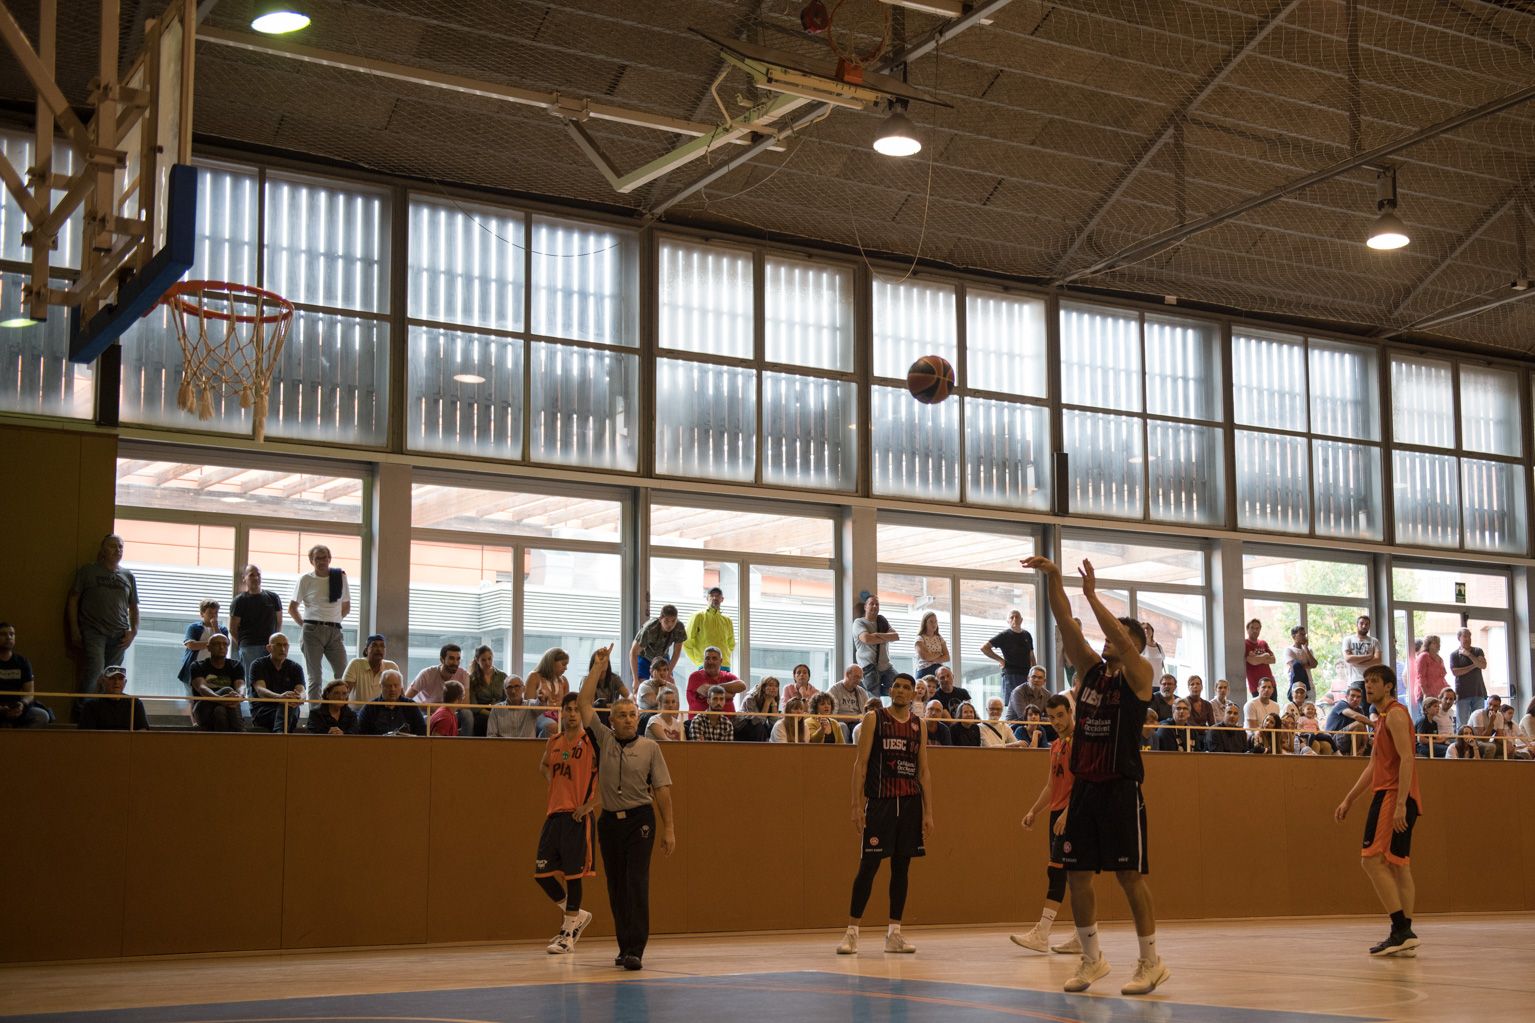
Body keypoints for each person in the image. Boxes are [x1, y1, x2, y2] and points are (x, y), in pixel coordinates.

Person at [1025, 554, 1168, 997]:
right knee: (1077, 875)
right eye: (1107, 634)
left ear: (1133, 645)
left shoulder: (1140, 676)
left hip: (1121, 787)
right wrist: (1054, 579)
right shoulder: (1089, 672)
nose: (1107, 639)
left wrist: (1091, 595)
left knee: (1129, 878)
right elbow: (1065, 621)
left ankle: (1151, 962)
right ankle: (1092, 959)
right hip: (1085, 788)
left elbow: (1121, 640)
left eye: (1117, 635)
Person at [577, 646, 676, 971]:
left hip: (640, 821)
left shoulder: (650, 748)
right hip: (609, 823)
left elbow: (662, 790)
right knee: (617, 885)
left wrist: (669, 829)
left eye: (633, 715)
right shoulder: (603, 739)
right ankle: (624, 947)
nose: (629, 719)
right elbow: (583, 704)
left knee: (636, 882)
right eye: (622, 715)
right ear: (612, 720)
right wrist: (598, 667)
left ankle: (636, 949)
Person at [836, 672, 931, 956]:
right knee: (868, 867)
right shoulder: (874, 718)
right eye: (897, 686)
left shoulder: (919, 725)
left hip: (910, 803)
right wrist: (855, 805)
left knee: (901, 869)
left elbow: (924, 770)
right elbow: (860, 764)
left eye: (906, 687)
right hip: (881, 803)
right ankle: (852, 932)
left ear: (913, 694)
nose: (900, 690)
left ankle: (894, 934)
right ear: (891, 691)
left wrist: (928, 812)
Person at [1334, 664, 1424, 958]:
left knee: (1371, 860)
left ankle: (1401, 929)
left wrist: (1400, 803)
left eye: (1374, 681)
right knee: (1398, 866)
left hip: (1393, 795)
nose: (1368, 686)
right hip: (1394, 794)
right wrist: (1349, 799)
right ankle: (1405, 934)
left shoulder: (1396, 714)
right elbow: (1374, 765)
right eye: (1366, 681)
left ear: (1388, 686)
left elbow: (1407, 758)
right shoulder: (1383, 719)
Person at [1011, 693, 1083, 956]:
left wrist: (1068, 813)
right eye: (1051, 718)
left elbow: (1085, 782)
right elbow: (1051, 785)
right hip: (1057, 814)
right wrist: (1034, 810)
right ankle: (1083, 935)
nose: (1056, 722)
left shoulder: (1081, 743)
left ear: (1071, 712)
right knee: (1074, 876)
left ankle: (1042, 933)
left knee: (1058, 872)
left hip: (1073, 814)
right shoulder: (1055, 745)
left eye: (1060, 716)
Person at [535, 692, 600, 955]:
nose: (572, 714)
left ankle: (567, 935)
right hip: (554, 815)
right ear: (562, 712)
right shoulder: (554, 741)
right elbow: (543, 766)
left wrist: (588, 805)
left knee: (573, 876)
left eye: (576, 709)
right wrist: (555, 785)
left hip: (577, 816)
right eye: (568, 709)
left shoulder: (591, 742)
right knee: (542, 874)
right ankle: (577, 915)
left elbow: (606, 778)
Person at [67, 533, 139, 692]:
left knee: (112, 675)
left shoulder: (128, 576)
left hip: (119, 634)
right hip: (94, 631)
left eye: (120, 547)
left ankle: (104, 705)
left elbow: (134, 607)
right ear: (103, 549)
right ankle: (85, 706)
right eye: (113, 546)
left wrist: (133, 632)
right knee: (95, 670)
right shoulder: (88, 571)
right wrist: (74, 629)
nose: (117, 550)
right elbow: (73, 600)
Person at [287, 544, 351, 700]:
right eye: (317, 558)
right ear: (311, 561)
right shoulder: (306, 579)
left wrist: (334, 620)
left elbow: (346, 606)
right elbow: (292, 608)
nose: (322, 561)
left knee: (343, 673)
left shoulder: (339, 577)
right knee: (315, 677)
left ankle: (339, 708)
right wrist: (306, 625)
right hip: (312, 630)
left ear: (329, 559)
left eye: (324, 558)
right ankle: (315, 711)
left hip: (335, 630)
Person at [408, 643, 474, 738]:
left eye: (458, 659)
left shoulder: (464, 675)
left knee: (467, 714)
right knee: (425, 719)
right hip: (427, 711)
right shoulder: (426, 674)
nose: (455, 663)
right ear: (442, 659)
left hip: (452, 711)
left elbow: (466, 703)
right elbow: (407, 698)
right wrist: (430, 707)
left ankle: (464, 744)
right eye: (451, 658)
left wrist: (443, 708)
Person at [229, 564, 283, 680]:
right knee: (252, 680)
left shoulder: (273, 597)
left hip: (270, 647)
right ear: (244, 578)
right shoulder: (239, 601)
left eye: (258, 574)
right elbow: (233, 628)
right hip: (249, 647)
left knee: (271, 679)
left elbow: (279, 621)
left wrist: (275, 642)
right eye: (251, 575)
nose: (256, 578)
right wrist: (243, 644)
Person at [248, 632, 306, 733]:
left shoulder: (296, 667)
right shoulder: (258, 664)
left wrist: (299, 698)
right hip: (264, 710)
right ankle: (281, 736)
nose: (282, 649)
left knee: (289, 706)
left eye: (285, 645)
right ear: (269, 648)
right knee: (287, 706)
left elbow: (302, 691)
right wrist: (280, 698)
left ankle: (279, 734)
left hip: (289, 709)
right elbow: (260, 690)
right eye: (278, 645)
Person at [189, 634, 245, 732]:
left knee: (220, 711)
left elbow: (240, 686)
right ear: (208, 647)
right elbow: (202, 688)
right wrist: (220, 699)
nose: (221, 647)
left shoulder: (235, 665)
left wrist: (239, 696)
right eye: (217, 644)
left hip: (226, 710)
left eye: (225, 644)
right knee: (227, 690)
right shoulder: (197, 665)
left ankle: (223, 740)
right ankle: (240, 731)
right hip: (203, 709)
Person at [0, 622, 50, 728]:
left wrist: (22, 704)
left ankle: (16, 737)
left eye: (11, 634)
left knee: (41, 716)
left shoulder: (22, 662)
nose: (8, 637)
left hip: (15, 707)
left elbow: (29, 693)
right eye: (3, 634)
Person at [982, 609, 1037, 703]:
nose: (1014, 619)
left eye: (1017, 617)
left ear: (1021, 620)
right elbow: (984, 648)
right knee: (1013, 703)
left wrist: (1035, 672)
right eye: (1012, 617)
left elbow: (1031, 654)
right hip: (1011, 675)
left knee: (1028, 702)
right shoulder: (1004, 635)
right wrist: (1000, 660)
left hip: (1026, 675)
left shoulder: (1027, 635)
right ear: (1008, 621)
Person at [852, 594, 900, 698]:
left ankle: (874, 691)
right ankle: (868, 691)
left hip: (886, 666)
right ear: (865, 606)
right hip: (869, 667)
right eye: (871, 604)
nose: (875, 606)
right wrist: (886, 637)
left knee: (900, 686)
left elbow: (896, 636)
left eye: (877, 604)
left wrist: (876, 635)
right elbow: (867, 639)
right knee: (874, 698)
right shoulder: (859, 622)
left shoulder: (882, 621)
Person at [77, 664, 148, 731]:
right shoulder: (91, 705)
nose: (116, 682)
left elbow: (143, 730)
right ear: (103, 682)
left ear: (125, 682)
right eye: (112, 678)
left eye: (120, 679)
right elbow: (85, 734)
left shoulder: (135, 703)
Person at [629, 605, 686, 684]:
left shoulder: (679, 627)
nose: (670, 625)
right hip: (645, 657)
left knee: (668, 684)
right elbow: (633, 652)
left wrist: (668, 673)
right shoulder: (649, 628)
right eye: (666, 621)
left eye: (673, 621)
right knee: (641, 685)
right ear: (660, 619)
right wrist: (635, 679)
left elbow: (677, 652)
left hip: (663, 656)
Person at [358, 669, 426, 736]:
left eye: (396, 685)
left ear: (401, 687)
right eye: (388, 686)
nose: (392, 689)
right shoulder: (370, 708)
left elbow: (422, 733)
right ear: (381, 686)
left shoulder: (410, 706)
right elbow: (360, 735)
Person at [178, 600, 228, 688]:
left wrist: (215, 627)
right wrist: (213, 644)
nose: (213, 615)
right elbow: (191, 645)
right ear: (202, 614)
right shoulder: (194, 627)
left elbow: (224, 644)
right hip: (194, 668)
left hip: (214, 670)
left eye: (216, 613)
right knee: (192, 694)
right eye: (210, 613)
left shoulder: (222, 629)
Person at [682, 587, 734, 670]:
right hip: (705, 664)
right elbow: (686, 641)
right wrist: (698, 661)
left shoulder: (727, 620)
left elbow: (731, 644)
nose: (715, 598)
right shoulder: (698, 616)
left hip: (724, 664)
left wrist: (725, 656)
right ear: (707, 598)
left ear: (722, 599)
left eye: (718, 596)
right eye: (712, 595)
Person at [342, 635, 399, 708]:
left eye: (382, 646)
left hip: (383, 712)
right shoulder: (355, 664)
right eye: (374, 645)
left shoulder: (392, 666)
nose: (379, 649)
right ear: (366, 650)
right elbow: (343, 693)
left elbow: (400, 694)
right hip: (357, 711)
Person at [1448, 628, 1488, 729]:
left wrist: (1469, 655)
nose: (1468, 639)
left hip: (1478, 691)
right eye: (1465, 636)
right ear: (1459, 638)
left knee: (1478, 722)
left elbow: (1483, 665)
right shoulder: (1454, 654)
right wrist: (1475, 665)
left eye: (1469, 636)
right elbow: (1456, 672)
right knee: (1462, 724)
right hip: (1462, 693)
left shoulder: (1478, 651)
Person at [528, 648, 571, 737]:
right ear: (551, 663)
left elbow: (567, 705)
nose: (566, 668)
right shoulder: (534, 676)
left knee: (576, 725)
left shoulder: (564, 681)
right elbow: (528, 704)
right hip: (539, 715)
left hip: (560, 715)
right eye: (563, 664)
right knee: (553, 727)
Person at [467, 645, 507, 737]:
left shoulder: (502, 676)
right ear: (477, 660)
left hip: (501, 711)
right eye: (483, 660)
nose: (487, 663)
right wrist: (491, 714)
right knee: (482, 720)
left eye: (489, 659)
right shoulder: (472, 679)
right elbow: (474, 706)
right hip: (482, 713)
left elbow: (507, 699)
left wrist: (499, 712)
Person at [1327, 682, 1374, 756]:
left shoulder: (1360, 710)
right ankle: (1354, 758)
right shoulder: (1341, 704)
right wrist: (1375, 725)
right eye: (1352, 696)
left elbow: (1364, 731)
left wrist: (1364, 746)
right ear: (1346, 697)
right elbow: (1355, 716)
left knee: (1373, 740)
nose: (1355, 699)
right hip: (1333, 740)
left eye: (1358, 697)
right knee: (1359, 725)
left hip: (1348, 739)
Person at [1343, 615, 1383, 685]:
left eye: (1367, 624)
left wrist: (1356, 662)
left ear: (1369, 626)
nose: (1364, 626)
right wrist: (1369, 656)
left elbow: (1378, 660)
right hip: (1355, 680)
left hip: (1371, 679)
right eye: (1361, 623)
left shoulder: (1374, 641)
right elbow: (1348, 659)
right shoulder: (1348, 640)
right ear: (1357, 625)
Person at [738, 676, 779, 742]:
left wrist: (773, 703)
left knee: (776, 728)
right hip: (744, 726)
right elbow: (757, 721)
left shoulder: (773, 698)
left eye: (776, 686)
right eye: (770, 685)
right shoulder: (750, 698)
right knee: (760, 728)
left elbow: (774, 723)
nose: (774, 688)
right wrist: (767, 702)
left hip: (759, 726)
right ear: (763, 688)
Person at [1242, 619, 1275, 698]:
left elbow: (1273, 660)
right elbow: (1252, 661)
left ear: (1260, 629)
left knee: (1273, 706)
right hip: (1256, 685)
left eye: (1257, 628)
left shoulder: (1263, 643)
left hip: (1270, 684)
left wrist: (1256, 658)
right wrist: (1265, 655)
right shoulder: (1245, 644)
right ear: (1247, 629)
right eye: (1252, 628)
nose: (1255, 630)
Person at [1413, 635, 1447, 708]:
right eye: (1435, 643)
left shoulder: (1439, 658)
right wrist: (1426, 694)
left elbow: (1442, 676)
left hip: (1438, 693)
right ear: (1428, 645)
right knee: (1427, 714)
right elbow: (1421, 677)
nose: (1438, 645)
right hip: (1426, 693)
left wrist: (1446, 690)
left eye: (1438, 643)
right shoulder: (1423, 656)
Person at [913, 612, 949, 679]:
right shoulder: (920, 638)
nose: (934, 624)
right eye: (931, 621)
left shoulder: (940, 638)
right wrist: (939, 654)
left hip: (938, 670)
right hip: (924, 670)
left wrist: (931, 657)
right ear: (925, 623)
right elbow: (925, 657)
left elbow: (947, 657)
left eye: (935, 621)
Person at [1285, 625, 1317, 695]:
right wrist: (1308, 665)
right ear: (1294, 636)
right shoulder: (1289, 650)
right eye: (1301, 634)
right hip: (1296, 687)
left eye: (1304, 635)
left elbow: (1314, 665)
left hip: (1310, 686)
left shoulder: (1308, 650)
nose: (1304, 637)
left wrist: (1306, 648)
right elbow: (1295, 667)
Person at [1184, 676, 1213, 750]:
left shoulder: (1208, 704)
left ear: (1202, 687)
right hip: (1190, 735)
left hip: (1205, 736)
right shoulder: (1184, 703)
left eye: (1198, 684)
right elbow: (1190, 723)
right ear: (1188, 688)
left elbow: (1212, 724)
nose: (1195, 686)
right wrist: (1206, 729)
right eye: (1192, 684)